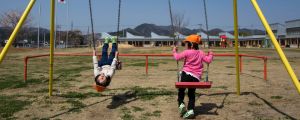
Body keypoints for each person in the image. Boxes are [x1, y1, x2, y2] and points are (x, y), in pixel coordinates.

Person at [172, 34, 213, 119]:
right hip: (196, 78)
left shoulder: (187, 52)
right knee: (191, 93)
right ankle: (190, 110)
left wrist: (174, 51)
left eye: (186, 43)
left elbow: (177, 57)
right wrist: (210, 53)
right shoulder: (201, 53)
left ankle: (181, 104)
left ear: (190, 44)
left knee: (181, 90)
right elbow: (208, 60)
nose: (185, 45)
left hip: (185, 75)